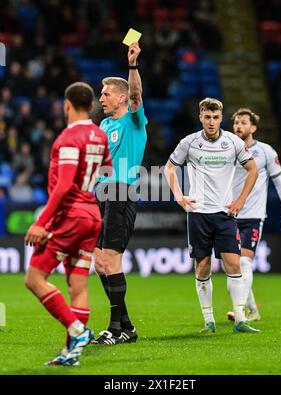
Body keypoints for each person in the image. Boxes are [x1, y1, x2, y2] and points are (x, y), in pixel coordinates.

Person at [24, 82, 113, 366]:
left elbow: (63, 186)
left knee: (35, 279)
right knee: (78, 285)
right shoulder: (99, 136)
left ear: (67, 104)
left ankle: (78, 331)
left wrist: (42, 222)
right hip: (92, 215)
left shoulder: (68, 138)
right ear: (91, 105)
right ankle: (71, 353)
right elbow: (107, 170)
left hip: (71, 216)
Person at [164, 98, 260, 334]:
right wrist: (179, 196)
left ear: (221, 118)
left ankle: (240, 320)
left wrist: (240, 200)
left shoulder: (233, 142)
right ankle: (209, 322)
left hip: (225, 214)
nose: (211, 121)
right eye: (207, 117)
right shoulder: (189, 142)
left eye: (215, 117)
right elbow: (169, 167)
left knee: (234, 264)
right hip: (198, 214)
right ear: (200, 117)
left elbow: (253, 169)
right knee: (203, 267)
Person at [92, 42, 147, 345]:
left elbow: (137, 95)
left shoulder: (133, 120)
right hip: (101, 195)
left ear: (122, 97)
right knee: (99, 262)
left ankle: (115, 330)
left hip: (121, 193)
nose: (101, 97)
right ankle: (126, 326)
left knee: (112, 260)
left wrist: (133, 65)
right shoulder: (103, 124)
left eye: (106, 93)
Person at [227, 108, 281, 322]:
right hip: (229, 215)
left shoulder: (266, 151)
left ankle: (239, 310)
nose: (239, 126)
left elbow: (280, 183)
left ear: (253, 128)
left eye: (243, 122)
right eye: (236, 122)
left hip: (253, 216)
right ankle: (252, 310)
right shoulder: (227, 149)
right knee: (233, 272)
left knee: (244, 264)